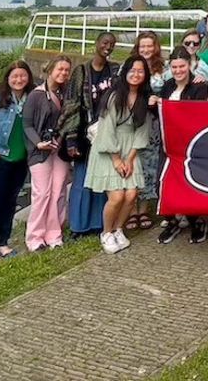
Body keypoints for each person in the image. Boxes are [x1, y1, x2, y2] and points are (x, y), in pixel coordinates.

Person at [85, 56, 152, 254]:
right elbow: (106, 129)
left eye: (140, 71)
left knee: (131, 194)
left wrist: (130, 159)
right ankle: (106, 232)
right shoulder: (114, 96)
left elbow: (142, 131)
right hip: (109, 150)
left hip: (130, 148)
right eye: (132, 70)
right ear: (125, 72)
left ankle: (118, 229)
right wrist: (116, 160)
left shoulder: (143, 98)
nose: (136, 74)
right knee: (116, 196)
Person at [61, 32, 118, 237]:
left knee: (102, 181)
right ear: (96, 44)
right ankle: (79, 225)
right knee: (82, 181)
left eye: (112, 44)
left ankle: (98, 223)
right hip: (85, 135)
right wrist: (71, 139)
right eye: (105, 42)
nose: (108, 47)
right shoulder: (82, 71)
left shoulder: (115, 70)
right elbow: (72, 105)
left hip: (108, 134)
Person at [153, 47, 208, 245]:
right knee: (163, 183)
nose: (178, 70)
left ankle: (196, 221)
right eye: (174, 67)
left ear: (190, 65)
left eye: (182, 66)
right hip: (169, 144)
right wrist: (155, 102)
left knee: (188, 185)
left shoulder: (199, 87)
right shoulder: (168, 86)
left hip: (189, 145)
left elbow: (198, 115)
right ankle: (173, 220)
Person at [0, 61, 34, 265]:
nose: (19, 79)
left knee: (11, 201)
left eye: (23, 75)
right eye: (15, 76)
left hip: (20, 160)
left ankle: (3, 243)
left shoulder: (31, 97)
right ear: (8, 77)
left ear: (28, 77)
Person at [22, 55, 72, 252]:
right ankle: (34, 237)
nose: (63, 73)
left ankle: (54, 233)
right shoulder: (36, 95)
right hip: (40, 151)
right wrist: (38, 143)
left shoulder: (64, 94)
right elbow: (26, 125)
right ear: (50, 69)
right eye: (60, 69)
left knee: (58, 191)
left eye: (67, 70)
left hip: (58, 149)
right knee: (42, 193)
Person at [131, 31, 165, 230]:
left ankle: (143, 209)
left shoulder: (163, 68)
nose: (146, 49)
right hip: (134, 122)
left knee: (149, 166)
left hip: (153, 124)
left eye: (149, 46)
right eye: (142, 46)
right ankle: (131, 210)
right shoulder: (130, 66)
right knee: (134, 162)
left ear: (155, 47)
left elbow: (171, 88)